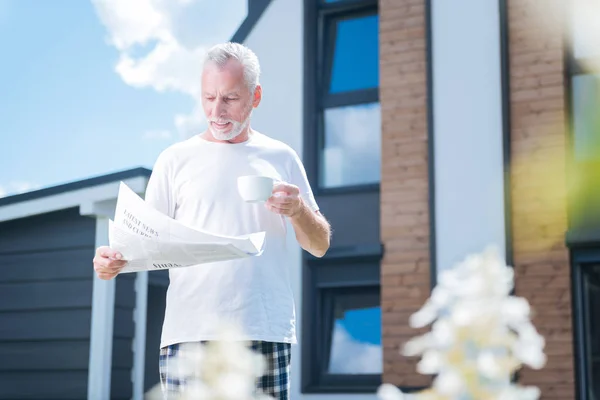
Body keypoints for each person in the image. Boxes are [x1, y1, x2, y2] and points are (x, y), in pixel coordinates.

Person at [92, 42, 331, 399]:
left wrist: (298, 212)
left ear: (256, 96)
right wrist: (110, 260)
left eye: (230, 98)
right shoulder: (174, 159)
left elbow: (320, 245)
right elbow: (142, 242)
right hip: (189, 333)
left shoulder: (281, 157)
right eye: (208, 98)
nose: (216, 111)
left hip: (263, 330)